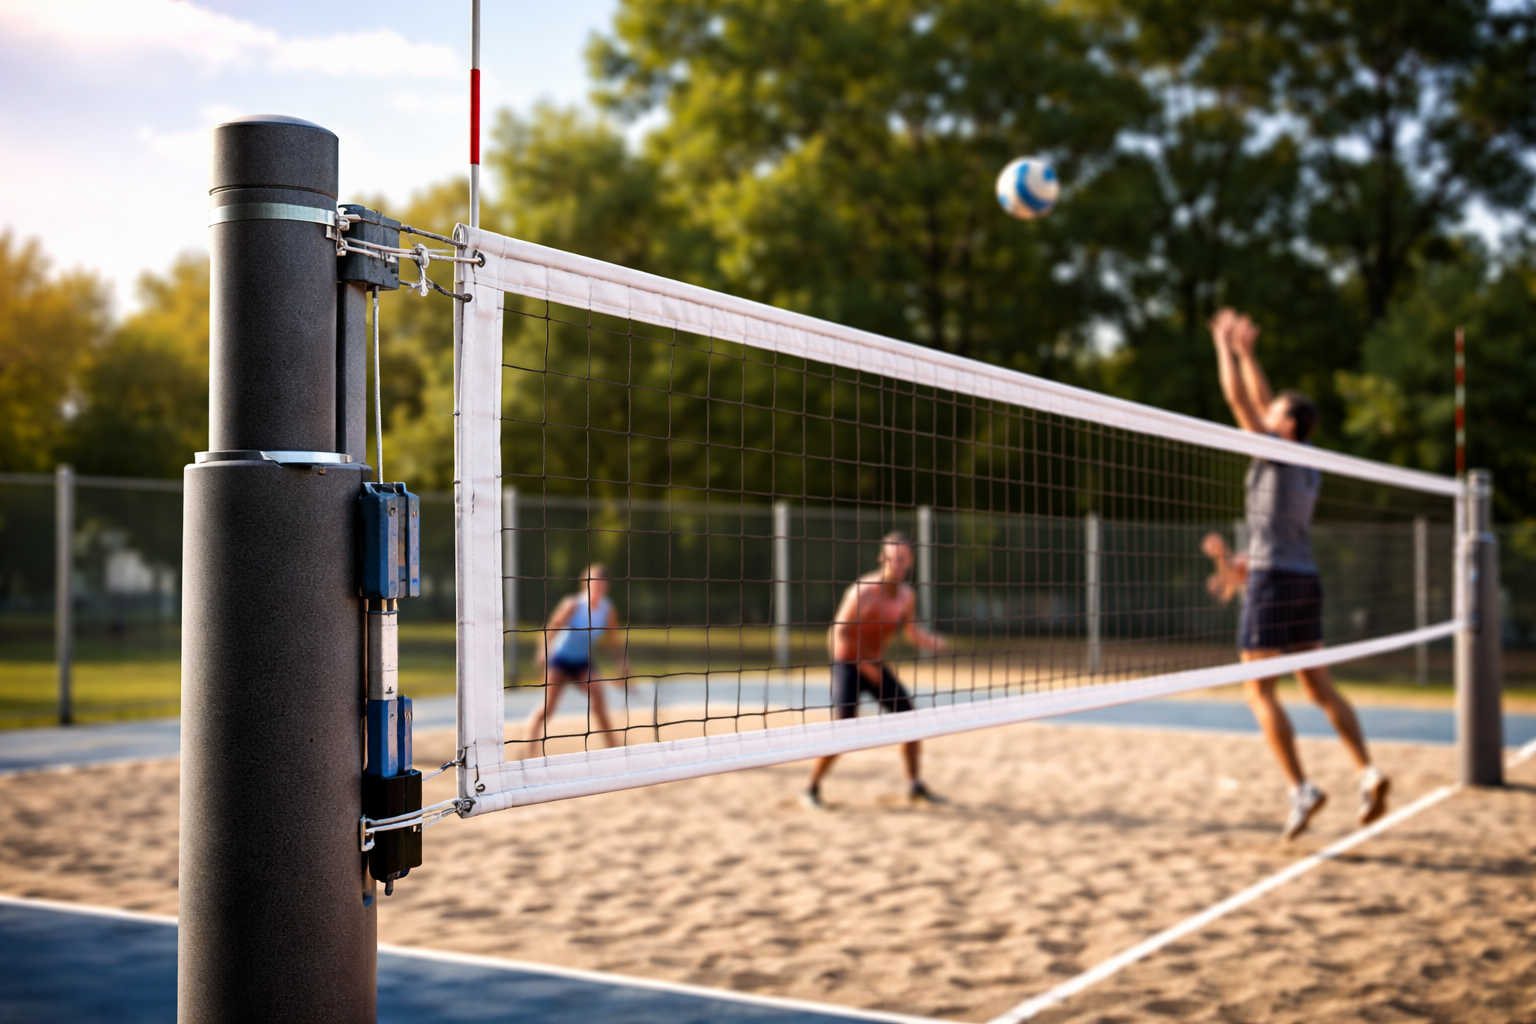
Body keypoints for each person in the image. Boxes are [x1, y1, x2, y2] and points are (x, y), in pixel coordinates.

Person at [1209, 307, 1389, 840]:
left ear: (1286, 425)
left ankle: (1301, 788)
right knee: (1320, 688)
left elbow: (1242, 401)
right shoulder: (1306, 453)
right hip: (1305, 578)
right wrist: (1249, 353)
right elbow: (1265, 402)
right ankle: (1368, 770)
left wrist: (1223, 345)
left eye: (1276, 413)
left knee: (1258, 692)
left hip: (1272, 580)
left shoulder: (1277, 448)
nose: (1268, 414)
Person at [802, 532, 948, 810]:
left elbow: (911, 630)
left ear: (910, 561)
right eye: (893, 558)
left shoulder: (906, 595)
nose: (898, 563)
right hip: (847, 662)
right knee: (843, 729)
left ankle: (914, 785)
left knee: (910, 720)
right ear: (883, 558)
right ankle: (811, 788)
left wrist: (932, 641)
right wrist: (864, 666)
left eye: (903, 559)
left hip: (874, 664)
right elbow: (840, 634)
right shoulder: (863, 591)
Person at [522, 564, 629, 756]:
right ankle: (529, 750)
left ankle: (614, 749)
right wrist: (542, 651)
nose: (595, 586)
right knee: (548, 708)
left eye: (600, 583)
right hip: (560, 659)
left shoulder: (607, 610)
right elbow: (552, 629)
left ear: (606, 586)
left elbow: (613, 641)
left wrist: (621, 663)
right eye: (592, 582)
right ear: (585, 584)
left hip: (582, 662)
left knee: (599, 699)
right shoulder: (573, 604)